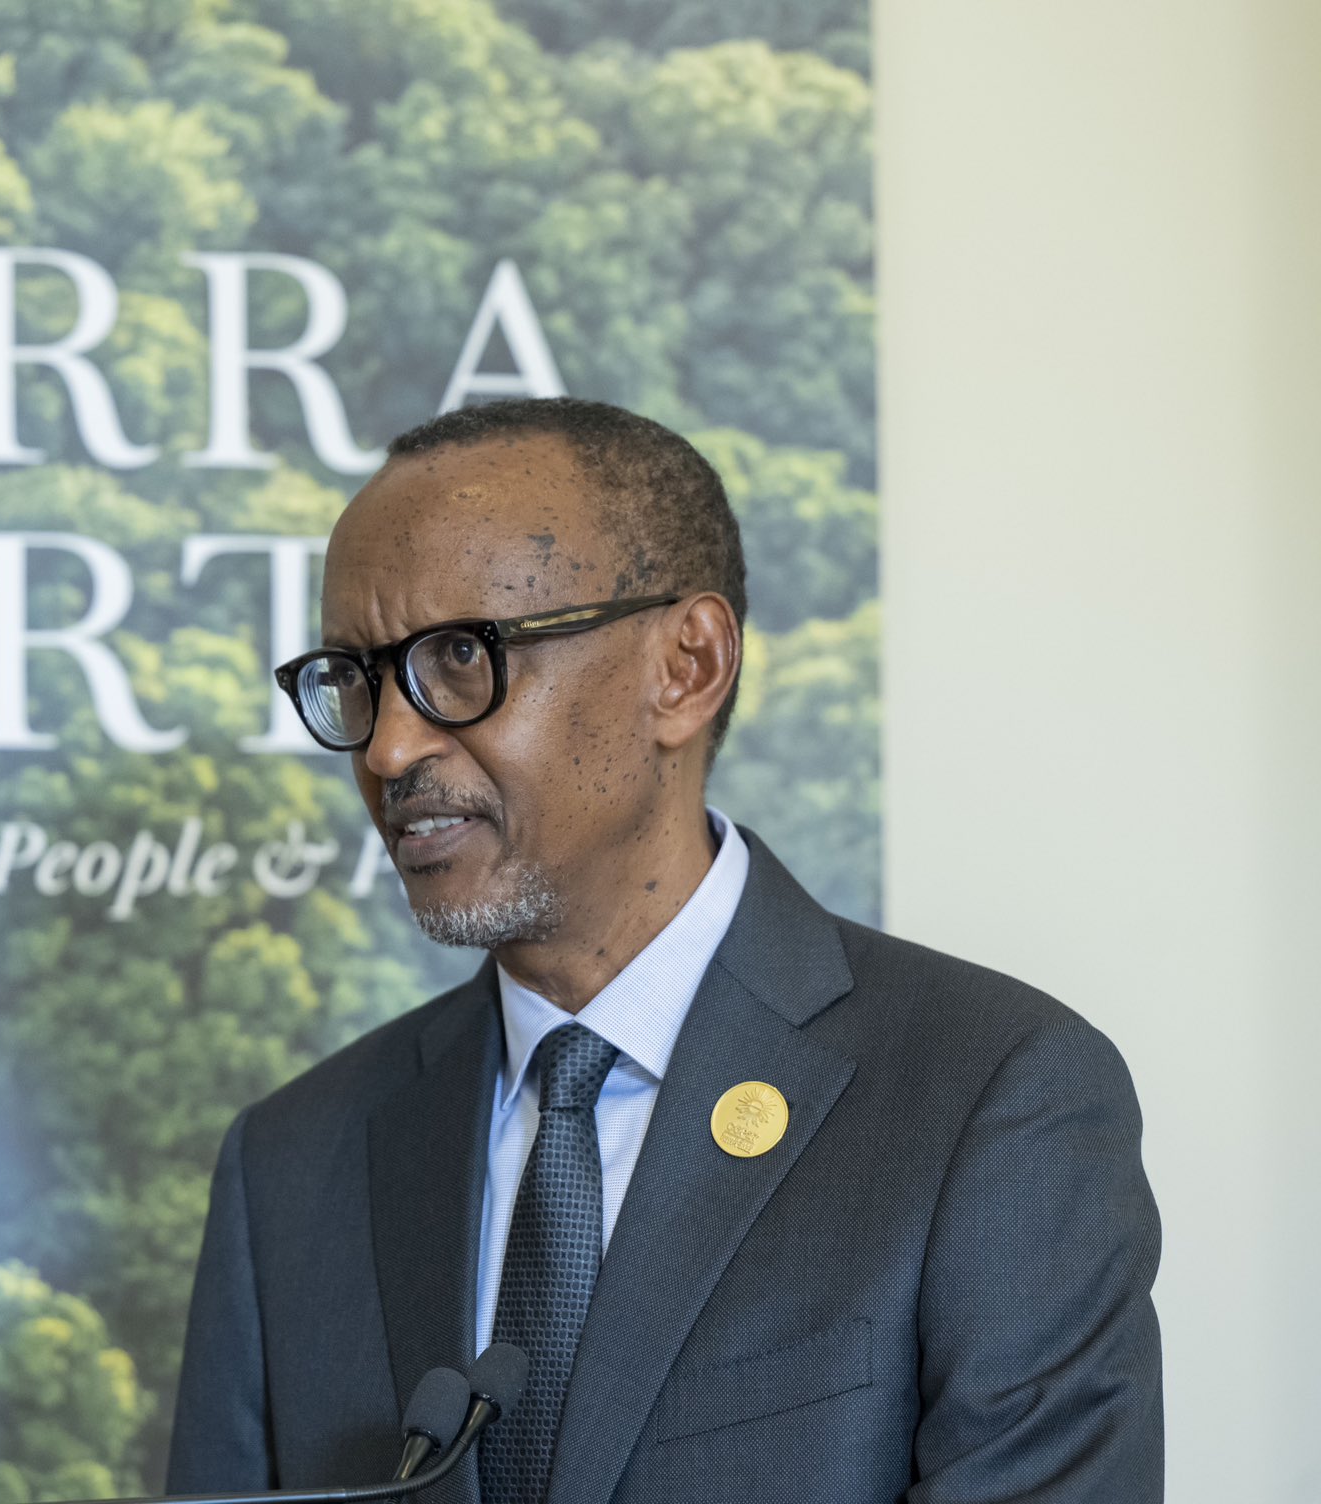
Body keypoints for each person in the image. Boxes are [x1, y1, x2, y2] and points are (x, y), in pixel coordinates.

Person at [165, 397, 1162, 1504]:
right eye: (356, 679)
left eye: (457, 658)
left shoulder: (992, 1101)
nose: (391, 747)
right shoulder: (290, 1163)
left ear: (685, 667)